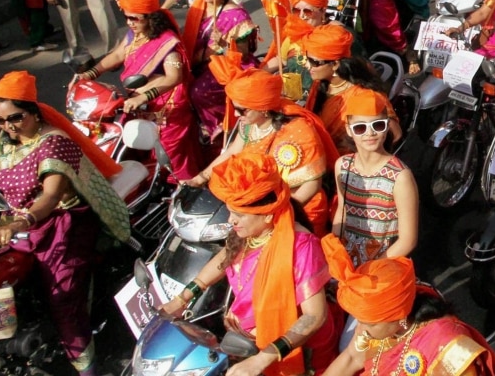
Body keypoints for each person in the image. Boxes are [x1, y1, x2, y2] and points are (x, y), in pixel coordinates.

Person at [0, 62, 130, 376]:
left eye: (15, 118)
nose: (8, 126)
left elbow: (50, 197)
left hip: (60, 228)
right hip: (17, 229)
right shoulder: (5, 140)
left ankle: (88, 369)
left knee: (64, 302)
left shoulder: (53, 143)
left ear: (34, 112)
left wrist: (21, 221)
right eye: (0, 121)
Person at [163, 151, 341, 375]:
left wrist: (262, 359)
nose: (230, 220)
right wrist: (182, 298)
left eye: (238, 215)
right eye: (230, 212)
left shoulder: (301, 247)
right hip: (247, 341)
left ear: (267, 215)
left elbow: (314, 316)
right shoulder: (249, 231)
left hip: (293, 351)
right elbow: (225, 257)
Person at [187, 67, 339, 237]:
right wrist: (200, 177)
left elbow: (312, 184)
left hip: (298, 209)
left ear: (262, 107)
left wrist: (277, 213)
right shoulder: (249, 124)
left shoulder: (299, 130)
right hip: (255, 210)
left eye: (242, 109)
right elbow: (232, 152)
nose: (236, 115)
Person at [74, 0, 200, 181]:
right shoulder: (135, 34)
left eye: (134, 18)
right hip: (137, 103)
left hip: (167, 107)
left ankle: (186, 188)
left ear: (151, 18)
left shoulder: (167, 43)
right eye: (126, 17)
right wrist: (90, 74)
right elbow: (117, 56)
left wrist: (144, 97)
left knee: (170, 155)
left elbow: (174, 77)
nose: (129, 23)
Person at [320, 253, 495, 376]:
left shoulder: (447, 344)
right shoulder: (377, 327)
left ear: (400, 316)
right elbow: (351, 359)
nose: (361, 331)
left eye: (369, 324)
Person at [330, 88, 419, 267]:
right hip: (347, 262)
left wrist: (370, 269)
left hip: (384, 264)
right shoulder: (343, 165)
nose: (369, 133)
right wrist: (335, 252)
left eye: (378, 125)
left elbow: (408, 240)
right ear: (349, 130)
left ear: (386, 128)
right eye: (360, 127)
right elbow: (343, 211)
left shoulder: (400, 177)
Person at [185, 0, 259, 140]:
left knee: (199, 92)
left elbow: (244, 53)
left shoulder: (236, 15)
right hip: (200, 65)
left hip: (229, 64)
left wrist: (225, 44)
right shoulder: (199, 9)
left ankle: (222, 127)